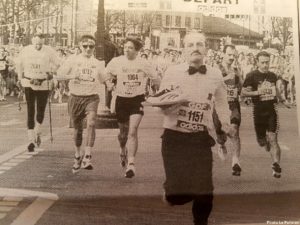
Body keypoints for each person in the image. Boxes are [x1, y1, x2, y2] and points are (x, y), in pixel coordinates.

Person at [158, 32, 233, 225]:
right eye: (190, 44)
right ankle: (170, 193)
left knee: (205, 191)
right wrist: (170, 105)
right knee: (177, 195)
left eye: (200, 44)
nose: (195, 48)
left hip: (200, 139)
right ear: (184, 50)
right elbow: (161, 104)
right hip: (174, 138)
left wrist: (225, 123)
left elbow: (222, 102)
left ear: (206, 48)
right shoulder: (172, 72)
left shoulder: (215, 74)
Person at [56, 34, 110, 173]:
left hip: (91, 97)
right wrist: (72, 76)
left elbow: (104, 78)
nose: (88, 49)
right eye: (85, 46)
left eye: (91, 46)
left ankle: (88, 155)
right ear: (80, 46)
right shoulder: (73, 60)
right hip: (75, 97)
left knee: (91, 123)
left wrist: (110, 85)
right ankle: (77, 154)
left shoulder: (97, 63)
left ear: (94, 48)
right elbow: (59, 75)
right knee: (77, 130)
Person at [105, 37, 157, 178]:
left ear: (137, 50)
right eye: (125, 47)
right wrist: (109, 83)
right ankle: (123, 150)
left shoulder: (144, 63)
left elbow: (156, 77)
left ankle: (131, 164)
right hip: (121, 100)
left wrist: (159, 93)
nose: (126, 50)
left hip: (137, 100)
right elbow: (106, 73)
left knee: (132, 131)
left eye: (130, 48)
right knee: (123, 134)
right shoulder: (117, 61)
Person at [242, 51, 290, 178]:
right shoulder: (251, 76)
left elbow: (277, 92)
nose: (265, 65)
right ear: (257, 62)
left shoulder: (272, 76)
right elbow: (243, 93)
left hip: (271, 110)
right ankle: (265, 142)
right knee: (262, 141)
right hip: (258, 111)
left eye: (267, 62)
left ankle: (276, 165)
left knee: (273, 138)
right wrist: (257, 92)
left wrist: (284, 100)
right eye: (262, 62)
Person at [17, 34, 60, 152]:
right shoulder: (26, 50)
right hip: (29, 82)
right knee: (30, 110)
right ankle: (31, 139)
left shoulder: (49, 51)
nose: (38, 46)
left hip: (43, 83)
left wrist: (52, 73)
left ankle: (37, 131)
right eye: (36, 44)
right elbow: (19, 64)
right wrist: (20, 78)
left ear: (43, 42)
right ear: (32, 41)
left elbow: (58, 63)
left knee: (40, 110)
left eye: (40, 44)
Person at [214, 45, 243, 176]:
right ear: (223, 54)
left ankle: (236, 162)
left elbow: (240, 87)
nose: (232, 58)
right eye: (229, 55)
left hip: (233, 105)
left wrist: (238, 77)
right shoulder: (215, 68)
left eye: (234, 55)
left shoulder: (236, 70)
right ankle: (221, 144)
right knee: (220, 134)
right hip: (219, 107)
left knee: (234, 131)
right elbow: (211, 85)